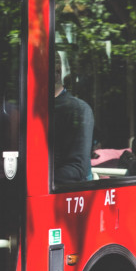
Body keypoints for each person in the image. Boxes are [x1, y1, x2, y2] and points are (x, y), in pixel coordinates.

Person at [50, 55, 94, 186]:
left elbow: (77, 168)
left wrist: (37, 180)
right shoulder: (32, 110)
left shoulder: (78, 110)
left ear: (58, 73)